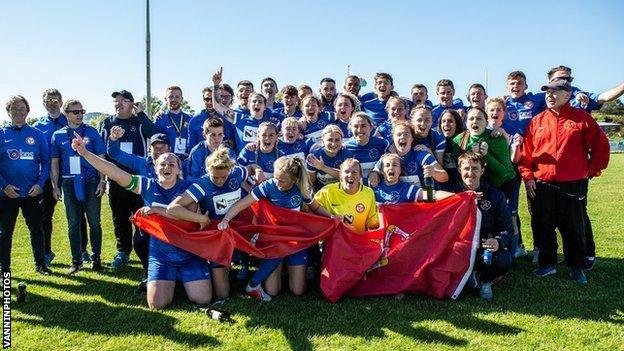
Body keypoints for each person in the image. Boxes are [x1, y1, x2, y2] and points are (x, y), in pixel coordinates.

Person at [71, 133, 212, 309]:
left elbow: (183, 215)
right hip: (161, 254)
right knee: (157, 304)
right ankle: (171, 279)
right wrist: (84, 153)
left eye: (171, 164)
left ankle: (180, 279)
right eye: (162, 164)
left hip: (189, 253)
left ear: (178, 169)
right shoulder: (148, 185)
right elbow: (115, 173)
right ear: (155, 168)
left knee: (203, 299)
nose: (166, 167)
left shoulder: (189, 188)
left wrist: (155, 210)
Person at [518, 79, 610, 284]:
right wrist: (528, 177)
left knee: (574, 227)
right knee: (543, 224)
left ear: (568, 95)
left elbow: (601, 148)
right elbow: (526, 155)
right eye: (547, 93)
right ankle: (547, 264)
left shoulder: (582, 119)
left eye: (554, 92)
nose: (549, 96)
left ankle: (577, 266)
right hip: (542, 184)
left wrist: (590, 171)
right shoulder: (537, 121)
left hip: (573, 183)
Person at [216, 157, 332, 301]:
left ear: (294, 179)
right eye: (276, 178)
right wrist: (226, 219)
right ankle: (253, 285)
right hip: (274, 239)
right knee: (272, 291)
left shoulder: (302, 188)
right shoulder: (268, 186)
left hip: (295, 240)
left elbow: (317, 208)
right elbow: (242, 205)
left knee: (298, 290)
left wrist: (333, 217)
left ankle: (281, 269)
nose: (277, 183)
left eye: (282, 181)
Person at [167, 146, 257, 301]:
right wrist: (201, 219)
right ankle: (213, 267)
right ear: (208, 171)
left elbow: (251, 168)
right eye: (216, 177)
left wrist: (259, 171)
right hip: (217, 235)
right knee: (223, 294)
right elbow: (172, 209)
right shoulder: (201, 185)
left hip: (238, 228)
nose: (220, 181)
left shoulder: (236, 173)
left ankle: (244, 263)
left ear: (230, 170)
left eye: (224, 177)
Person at [99, 89, 159, 269]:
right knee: (120, 217)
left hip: (139, 180)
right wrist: (103, 178)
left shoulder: (138, 122)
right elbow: (102, 152)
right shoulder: (106, 123)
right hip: (116, 178)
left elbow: (154, 133)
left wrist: (140, 113)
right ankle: (123, 251)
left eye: (124, 100)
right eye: (116, 101)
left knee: (142, 216)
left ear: (131, 103)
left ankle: (145, 250)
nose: (119, 103)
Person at [107, 129, 172, 290]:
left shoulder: (176, 163)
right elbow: (114, 153)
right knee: (140, 241)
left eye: (162, 146)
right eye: (155, 147)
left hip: (172, 214)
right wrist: (113, 139)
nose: (158, 150)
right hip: (151, 215)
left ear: (168, 148)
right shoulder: (141, 163)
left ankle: (175, 274)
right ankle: (148, 272)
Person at [50, 100, 106, 273]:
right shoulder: (58, 135)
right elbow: (54, 162)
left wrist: (102, 180)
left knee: (94, 222)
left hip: (90, 181)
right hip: (68, 182)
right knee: (73, 223)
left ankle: (96, 259)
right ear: (66, 113)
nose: (80, 114)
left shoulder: (91, 132)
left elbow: (101, 156)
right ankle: (76, 261)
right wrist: (55, 186)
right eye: (75, 112)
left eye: (82, 111)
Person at [0, 95, 51, 275]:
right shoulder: (1, 134)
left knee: (37, 230)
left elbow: (46, 162)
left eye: (22, 108)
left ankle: (41, 265)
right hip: (7, 194)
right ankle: (4, 270)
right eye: (15, 109)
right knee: (5, 233)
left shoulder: (37, 134)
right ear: (8, 112)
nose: (19, 112)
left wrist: (39, 184)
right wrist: (4, 186)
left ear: (28, 111)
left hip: (31, 192)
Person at [459, 152, 513, 301]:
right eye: (466, 168)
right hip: (460, 247)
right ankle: (470, 276)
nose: (470, 173)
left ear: (482, 170)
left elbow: (507, 228)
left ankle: (485, 281)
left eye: (475, 169)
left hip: (483, 246)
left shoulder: (495, 196)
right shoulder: (451, 194)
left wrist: (498, 241)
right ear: (459, 170)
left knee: (503, 259)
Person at [33, 89, 69, 266]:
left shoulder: (69, 122)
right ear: (43, 103)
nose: (52, 103)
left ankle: (83, 251)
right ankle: (46, 252)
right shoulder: (37, 127)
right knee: (45, 216)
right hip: (47, 178)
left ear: (61, 103)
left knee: (76, 214)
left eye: (55, 100)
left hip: (70, 176)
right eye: (48, 100)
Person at [315, 158, 379, 233]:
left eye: (354, 172)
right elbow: (311, 209)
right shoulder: (327, 191)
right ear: (341, 176)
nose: (350, 175)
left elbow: (372, 222)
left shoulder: (368, 192)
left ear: (360, 176)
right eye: (346, 172)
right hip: (335, 241)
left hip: (357, 241)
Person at [374, 153, 453, 204]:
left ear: (400, 170)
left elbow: (433, 195)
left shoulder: (407, 189)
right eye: (387, 165)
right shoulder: (374, 190)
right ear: (381, 170)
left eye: (395, 165)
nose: (391, 168)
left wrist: (456, 197)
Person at [343, 112, 389, 183]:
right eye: (355, 126)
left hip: (378, 186)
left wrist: (376, 170)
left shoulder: (383, 144)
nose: (359, 130)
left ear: (371, 128)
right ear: (351, 129)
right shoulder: (345, 147)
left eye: (363, 126)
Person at [187, 86, 235, 151]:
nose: (210, 102)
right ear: (203, 100)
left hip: (221, 157)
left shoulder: (226, 118)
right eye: (207, 99)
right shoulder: (195, 120)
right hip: (201, 158)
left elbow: (231, 141)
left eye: (212, 99)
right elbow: (191, 146)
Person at [307, 125, 352, 192]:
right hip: (322, 194)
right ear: (323, 140)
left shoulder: (347, 155)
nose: (333, 144)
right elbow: (311, 182)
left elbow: (348, 178)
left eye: (337, 140)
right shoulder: (314, 157)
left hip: (342, 193)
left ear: (342, 140)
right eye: (329, 140)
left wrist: (323, 167)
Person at [154, 86, 193, 159]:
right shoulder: (160, 119)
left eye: (177, 97)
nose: (174, 99)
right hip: (168, 162)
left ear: (182, 99)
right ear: (166, 99)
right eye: (171, 97)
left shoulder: (190, 119)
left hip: (187, 162)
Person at [438, 109, 465, 191]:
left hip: (462, 185)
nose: (446, 124)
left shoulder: (465, 139)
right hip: (443, 185)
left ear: (457, 124)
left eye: (450, 121)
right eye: (443, 121)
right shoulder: (436, 142)